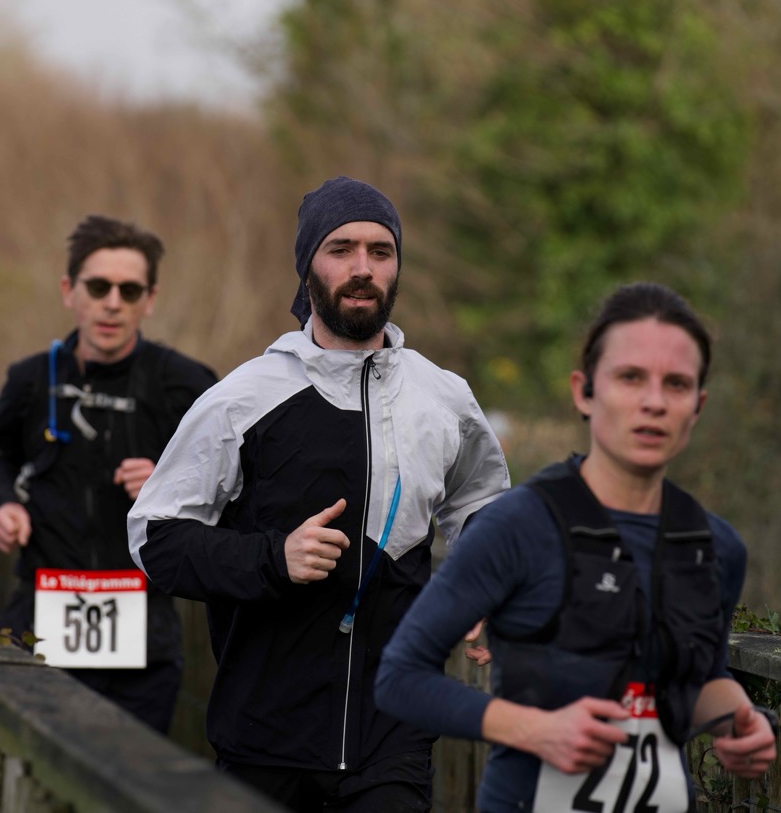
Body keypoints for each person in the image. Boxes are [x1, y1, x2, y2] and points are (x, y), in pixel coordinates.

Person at [127, 176, 511, 811]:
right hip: (263, 735)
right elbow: (155, 538)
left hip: (394, 733)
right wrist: (272, 558)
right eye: (341, 249)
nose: (363, 268)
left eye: (380, 252)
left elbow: (481, 505)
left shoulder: (443, 396)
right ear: (307, 266)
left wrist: (491, 588)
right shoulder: (241, 399)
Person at [375, 282, 778, 812]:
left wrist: (739, 722)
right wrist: (536, 729)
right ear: (584, 391)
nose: (654, 402)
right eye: (630, 378)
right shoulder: (517, 527)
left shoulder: (718, 548)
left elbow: (699, 679)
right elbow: (400, 678)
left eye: (677, 384)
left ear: (697, 406)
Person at [0, 215, 217, 734]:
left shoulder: (187, 385)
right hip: (37, 618)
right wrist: (2, 504)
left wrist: (170, 483)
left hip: (144, 634)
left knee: (125, 774)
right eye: (98, 287)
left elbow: (230, 484)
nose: (113, 303)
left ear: (149, 300)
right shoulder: (29, 380)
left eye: (129, 290)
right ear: (70, 290)